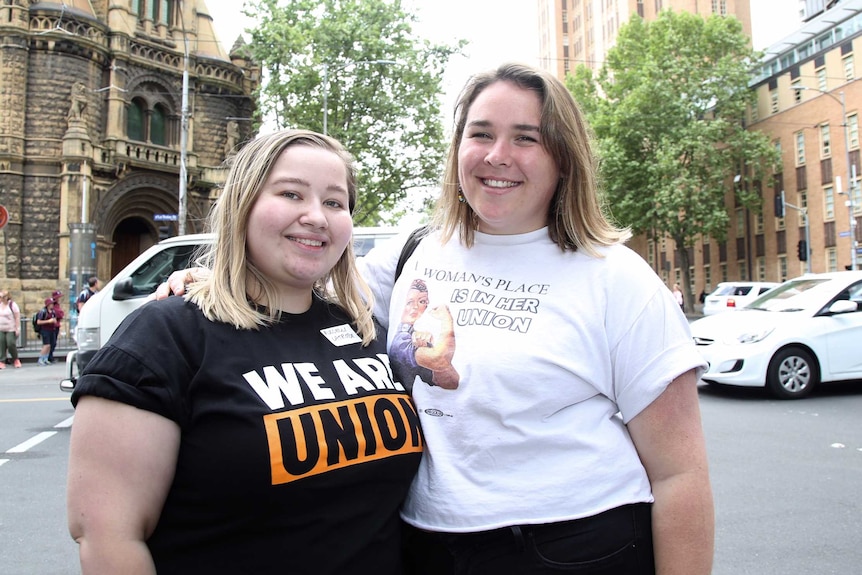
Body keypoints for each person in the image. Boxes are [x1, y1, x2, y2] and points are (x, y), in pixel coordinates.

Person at [160, 63, 714, 574]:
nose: (498, 154)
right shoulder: (413, 254)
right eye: (480, 134)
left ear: (563, 157)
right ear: (457, 149)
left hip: (576, 548)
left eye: (526, 137)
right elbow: (295, 282)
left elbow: (680, 475)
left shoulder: (616, 277)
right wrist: (207, 279)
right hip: (426, 545)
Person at [66, 129, 423, 574]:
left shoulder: (365, 331)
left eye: (334, 202)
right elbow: (108, 536)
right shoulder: (167, 335)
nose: (316, 216)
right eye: (291, 194)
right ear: (243, 204)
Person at [389, 278, 459, 390]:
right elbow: (439, 360)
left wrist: (427, 347)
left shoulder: (417, 337)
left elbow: (452, 382)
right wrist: (447, 320)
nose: (415, 307)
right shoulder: (400, 341)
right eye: (409, 302)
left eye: (421, 301)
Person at [0, 290, 22, 369]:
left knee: (10, 343)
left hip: (10, 328)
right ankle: (2, 361)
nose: (0, 299)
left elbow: (17, 317)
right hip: (1, 328)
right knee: (1, 344)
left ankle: (15, 359)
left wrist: (17, 328)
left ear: (6, 297)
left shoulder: (12, 305)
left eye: (2, 297)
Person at [35, 298, 58, 366]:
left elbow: (55, 319)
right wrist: (48, 321)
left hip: (52, 330)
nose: (52, 305)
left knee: (50, 345)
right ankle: (41, 359)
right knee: (46, 345)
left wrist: (54, 321)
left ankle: (46, 358)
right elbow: (38, 322)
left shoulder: (53, 312)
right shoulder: (43, 312)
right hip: (45, 330)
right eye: (51, 304)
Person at [49, 290, 65, 363]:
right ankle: (49, 357)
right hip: (53, 326)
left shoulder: (57, 305)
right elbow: (59, 314)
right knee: (51, 342)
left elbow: (61, 314)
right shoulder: (53, 305)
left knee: (54, 342)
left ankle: (50, 356)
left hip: (56, 325)